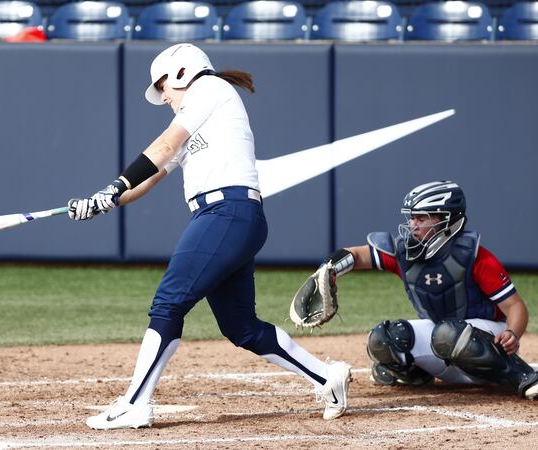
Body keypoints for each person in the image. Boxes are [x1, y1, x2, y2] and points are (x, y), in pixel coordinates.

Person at [67, 43, 352, 430]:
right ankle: (326, 377)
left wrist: (115, 184)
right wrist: (104, 201)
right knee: (241, 328)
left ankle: (136, 403)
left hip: (228, 213)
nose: (163, 95)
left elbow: (163, 144)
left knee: (168, 303)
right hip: (229, 217)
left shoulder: (210, 91)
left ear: (184, 72)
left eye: (164, 85)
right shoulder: (199, 116)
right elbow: (150, 176)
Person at [301, 180, 538, 398]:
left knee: (447, 333)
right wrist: (329, 269)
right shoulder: (407, 253)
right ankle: (411, 375)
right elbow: (358, 255)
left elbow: (515, 306)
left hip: (486, 338)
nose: (412, 225)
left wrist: (513, 333)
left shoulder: (474, 256)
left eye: (421, 218)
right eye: (412, 218)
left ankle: (521, 376)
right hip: (444, 341)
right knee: (384, 338)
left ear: (446, 220)